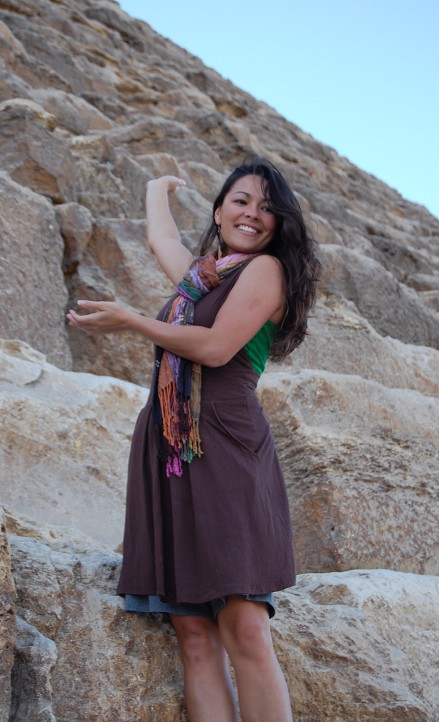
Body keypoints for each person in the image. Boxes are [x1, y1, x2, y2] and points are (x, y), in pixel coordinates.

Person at [67, 156, 319, 722]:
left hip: (226, 444)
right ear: (219, 211)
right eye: (241, 201)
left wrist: (132, 320)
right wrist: (156, 187)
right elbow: (161, 239)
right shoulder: (205, 276)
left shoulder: (266, 271)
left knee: (244, 626)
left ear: (280, 223)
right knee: (195, 635)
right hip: (170, 444)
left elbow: (214, 348)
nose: (252, 214)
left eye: (267, 208)